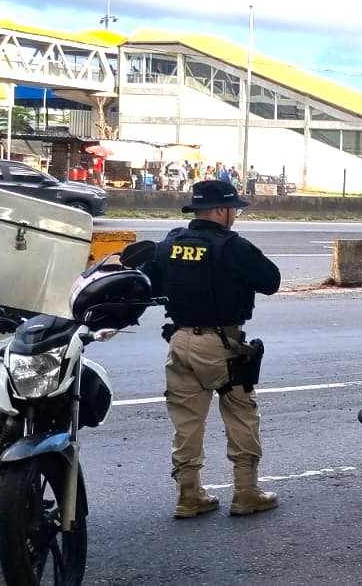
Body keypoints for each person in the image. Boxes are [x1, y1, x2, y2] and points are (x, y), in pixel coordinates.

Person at [143, 180, 282, 519]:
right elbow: (271, 281)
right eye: (233, 209)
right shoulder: (233, 246)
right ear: (221, 210)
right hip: (223, 345)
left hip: (178, 341)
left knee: (186, 421)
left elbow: (150, 283)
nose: (235, 215)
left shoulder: (170, 244)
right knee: (241, 413)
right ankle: (246, 493)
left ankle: (189, 495)